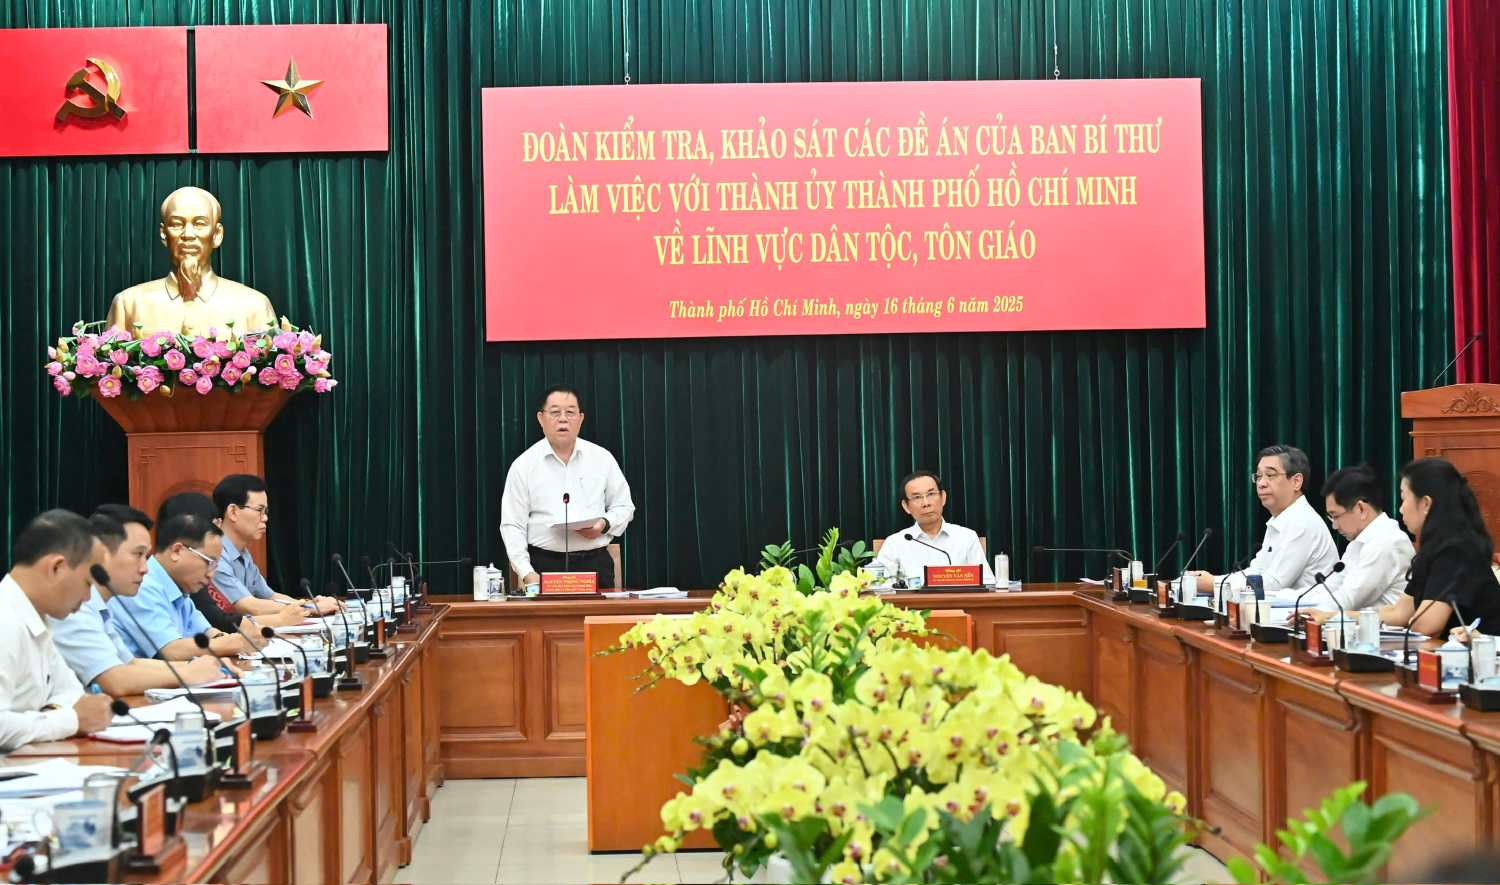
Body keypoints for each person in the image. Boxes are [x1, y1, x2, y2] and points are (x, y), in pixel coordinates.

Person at [51, 507, 224, 694]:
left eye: (145, 556)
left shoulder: (101, 605)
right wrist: (188, 673)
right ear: (101, 553)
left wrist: (196, 668)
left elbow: (129, 663)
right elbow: (114, 680)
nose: (145, 568)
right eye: (138, 554)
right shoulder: (74, 608)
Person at [0, 510, 114, 752]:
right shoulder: (5, 621)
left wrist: (47, 715)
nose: (87, 598)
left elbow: (72, 693)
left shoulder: (38, 617)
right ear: (57, 568)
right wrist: (69, 720)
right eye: (87, 584)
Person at [500, 386, 635, 590]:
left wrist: (604, 524)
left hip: (595, 564)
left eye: (570, 412)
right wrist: (528, 574)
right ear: (540, 418)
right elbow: (512, 525)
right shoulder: (524, 465)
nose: (563, 419)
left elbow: (625, 507)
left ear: (580, 419)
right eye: (555, 412)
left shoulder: (602, 458)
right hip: (543, 566)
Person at [105, 186, 277, 337]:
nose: (188, 234)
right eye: (177, 224)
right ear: (164, 234)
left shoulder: (254, 306)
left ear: (217, 235)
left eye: (200, 224)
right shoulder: (128, 304)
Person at [1378, 458, 1500, 636]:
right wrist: (1341, 617)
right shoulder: (1432, 549)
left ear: (1426, 503)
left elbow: (1427, 626)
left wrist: (1411, 621)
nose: (1401, 509)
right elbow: (1400, 614)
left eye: (1404, 498)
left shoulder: (1457, 549)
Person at [1198, 444, 1338, 596]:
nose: (1261, 483)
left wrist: (1214, 584)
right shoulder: (1281, 519)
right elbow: (1256, 572)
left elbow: (1274, 583)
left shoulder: (1302, 522)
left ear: (1296, 481)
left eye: (1270, 475)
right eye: (1258, 476)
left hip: (1309, 616)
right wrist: (1213, 581)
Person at [111, 513, 254, 660]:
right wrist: (236, 642)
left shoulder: (179, 588)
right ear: (176, 551)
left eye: (216, 566)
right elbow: (172, 650)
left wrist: (224, 638)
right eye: (209, 562)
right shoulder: (142, 585)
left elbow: (207, 631)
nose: (211, 575)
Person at [1297, 466, 1414, 624]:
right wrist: (1292, 604)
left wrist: (1311, 614)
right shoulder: (1359, 541)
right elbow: (1329, 588)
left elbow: (1347, 600)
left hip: (1382, 641)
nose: (1335, 526)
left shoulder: (1386, 541)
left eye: (1335, 516)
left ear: (1361, 509)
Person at [212, 473, 338, 619]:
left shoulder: (243, 553)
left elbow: (270, 597)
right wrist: (310, 608)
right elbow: (248, 605)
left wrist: (311, 603)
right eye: (259, 510)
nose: (265, 518)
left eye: (266, 511)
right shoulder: (215, 554)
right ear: (233, 512)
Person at [870, 471, 995, 586]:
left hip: (959, 610)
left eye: (930, 494)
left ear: (943, 497)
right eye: (917, 497)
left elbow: (987, 583)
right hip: (913, 609)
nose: (926, 503)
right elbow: (879, 585)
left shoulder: (966, 537)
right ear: (906, 506)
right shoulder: (895, 542)